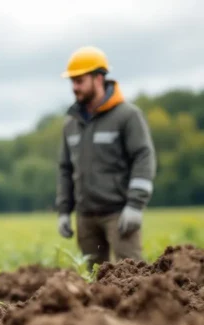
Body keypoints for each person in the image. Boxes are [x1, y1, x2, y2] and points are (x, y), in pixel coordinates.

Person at [56, 46, 156, 268]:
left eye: (79, 80)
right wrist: (64, 211)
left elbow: (143, 157)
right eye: (72, 81)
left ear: (98, 78)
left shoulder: (127, 116)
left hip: (119, 215)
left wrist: (135, 205)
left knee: (131, 276)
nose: (74, 87)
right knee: (94, 283)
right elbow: (65, 169)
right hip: (86, 217)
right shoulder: (71, 123)